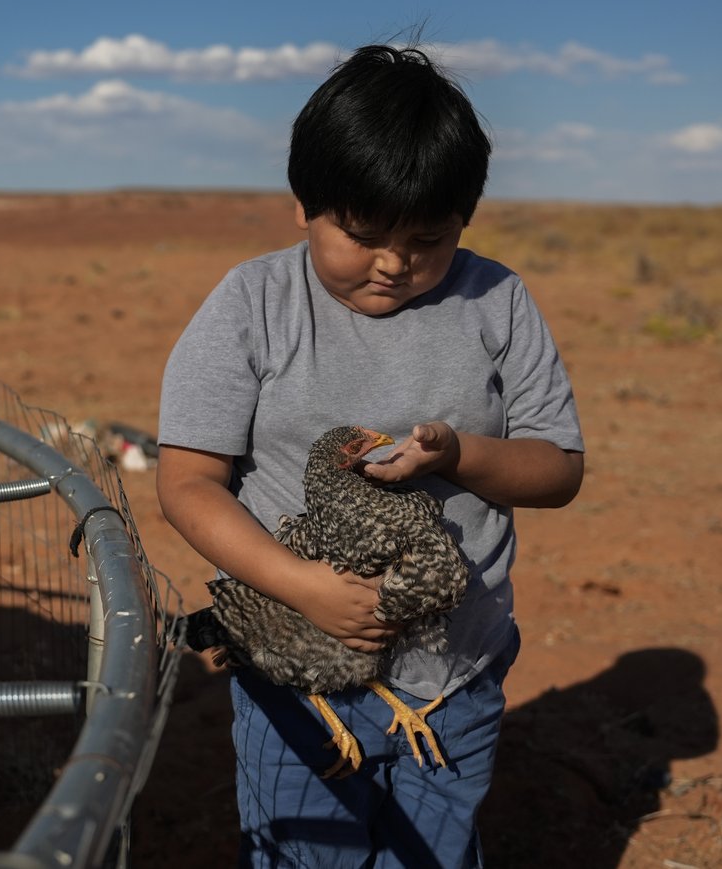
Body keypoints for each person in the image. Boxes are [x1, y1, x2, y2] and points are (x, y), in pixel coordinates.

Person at [156, 43, 585, 868]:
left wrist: (457, 456)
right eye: (363, 233)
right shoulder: (253, 304)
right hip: (299, 674)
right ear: (304, 208)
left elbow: (558, 469)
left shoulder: (496, 300)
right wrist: (309, 589)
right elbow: (187, 482)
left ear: (467, 215)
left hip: (458, 667)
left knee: (435, 853)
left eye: (429, 237)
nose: (394, 261)